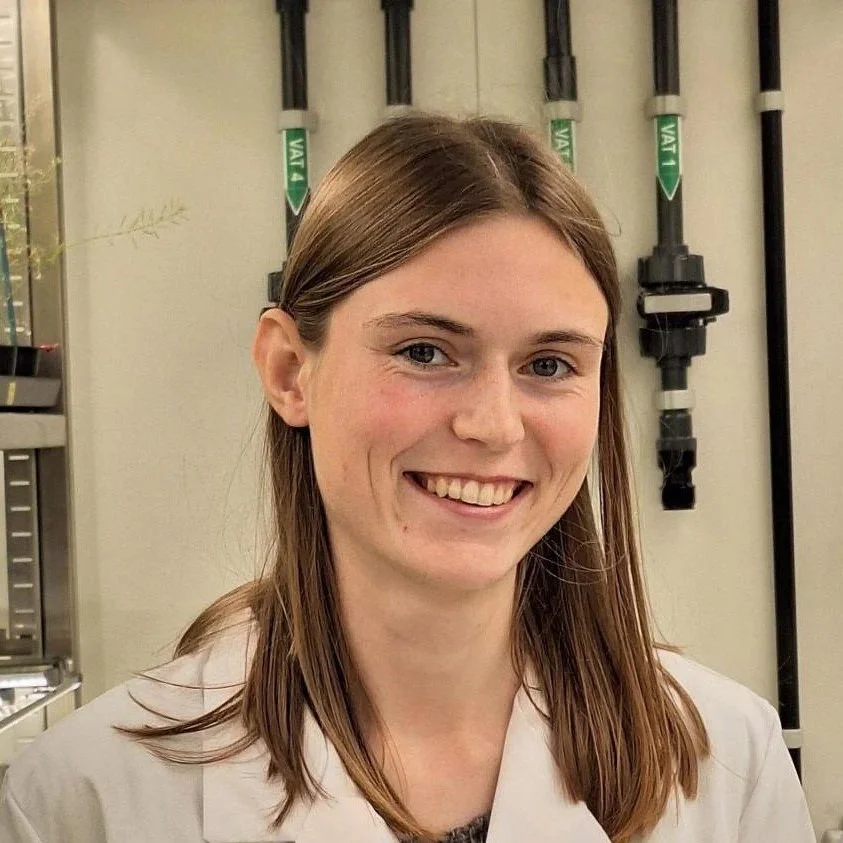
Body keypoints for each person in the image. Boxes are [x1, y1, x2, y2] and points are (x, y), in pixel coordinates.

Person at [0, 113, 814, 843]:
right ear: (289, 371)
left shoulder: (724, 764)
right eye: (424, 351)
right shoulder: (88, 801)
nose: (493, 424)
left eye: (548, 363)